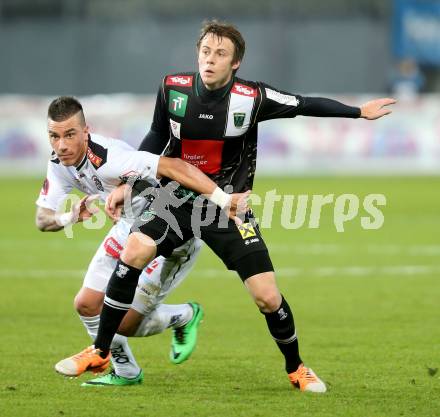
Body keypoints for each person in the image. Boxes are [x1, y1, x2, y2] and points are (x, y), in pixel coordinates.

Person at [60, 20, 396, 393]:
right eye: (205, 52)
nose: (210, 60)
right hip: (175, 201)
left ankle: (296, 367)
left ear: (236, 63)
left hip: (228, 208)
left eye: (220, 54)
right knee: (136, 248)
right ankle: (100, 350)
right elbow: (157, 135)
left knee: (267, 296)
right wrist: (128, 183)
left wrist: (358, 112)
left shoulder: (252, 98)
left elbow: (303, 104)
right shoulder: (173, 88)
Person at [37, 96, 248, 386]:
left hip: (169, 233)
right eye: (54, 136)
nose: (61, 145)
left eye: (70, 135)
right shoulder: (59, 163)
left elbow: (175, 167)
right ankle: (126, 372)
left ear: (86, 131)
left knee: (124, 322)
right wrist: (69, 216)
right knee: (86, 304)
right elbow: (42, 219)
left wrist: (223, 200)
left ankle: (184, 315)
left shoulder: (114, 158)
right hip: (127, 229)